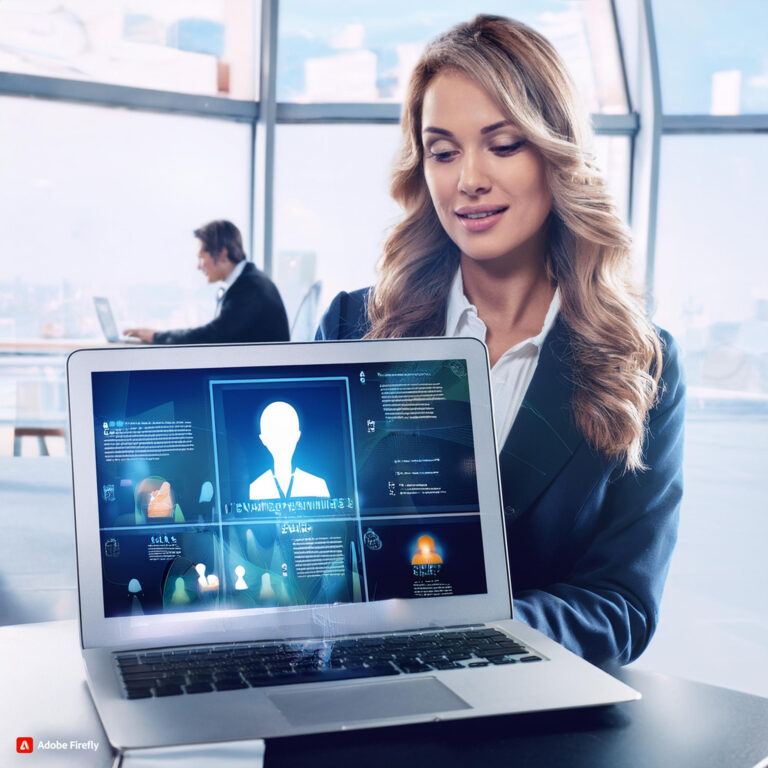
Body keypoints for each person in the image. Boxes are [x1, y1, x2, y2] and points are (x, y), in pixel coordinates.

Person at [316, 15, 685, 666]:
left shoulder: (642, 363)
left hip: (528, 724)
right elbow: (309, 540)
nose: (468, 181)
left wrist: (475, 626)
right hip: (351, 697)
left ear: (555, 151)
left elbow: (624, 603)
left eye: (503, 144)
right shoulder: (354, 328)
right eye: (443, 150)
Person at [125, 220, 290, 344]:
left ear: (222, 254)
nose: (199, 266)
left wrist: (156, 336)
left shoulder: (250, 288)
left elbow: (213, 335)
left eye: (202, 258)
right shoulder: (248, 280)